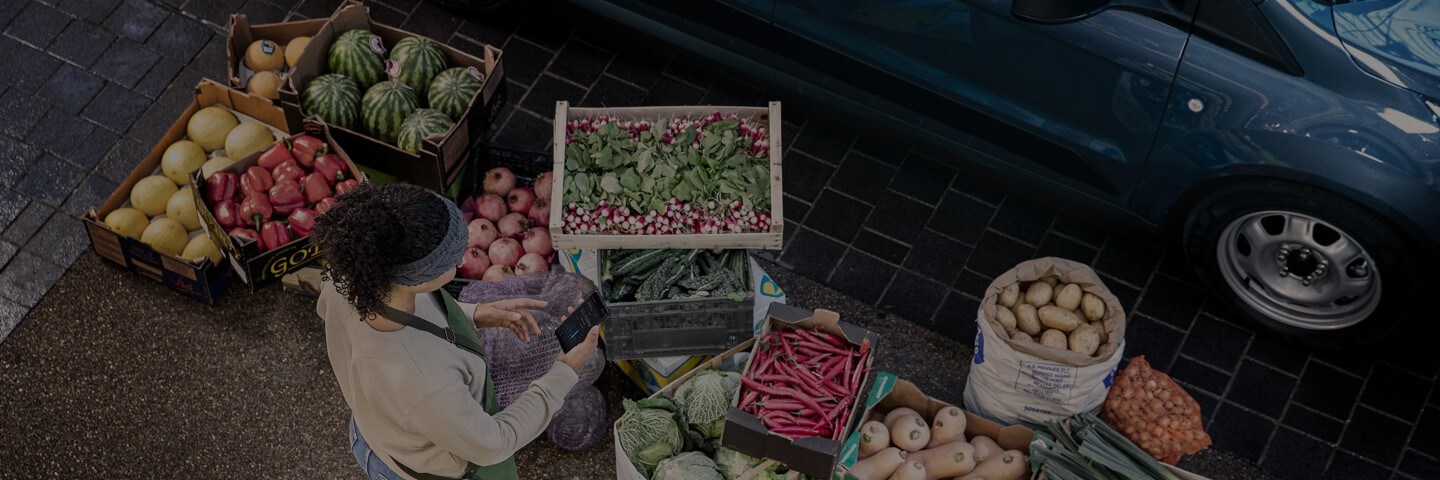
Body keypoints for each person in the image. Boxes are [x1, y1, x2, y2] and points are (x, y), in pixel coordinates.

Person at [311, 183, 600, 480]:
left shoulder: (349, 280)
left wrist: (474, 314)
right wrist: (564, 372)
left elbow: (412, 313)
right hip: (414, 470)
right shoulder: (424, 383)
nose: (462, 261)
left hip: (377, 432)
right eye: (454, 261)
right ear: (420, 278)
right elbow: (492, 442)